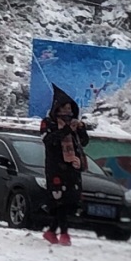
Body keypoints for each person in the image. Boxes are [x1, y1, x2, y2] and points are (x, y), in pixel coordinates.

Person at [41, 87, 90, 246]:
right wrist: (68, 129)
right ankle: (64, 234)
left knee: (70, 201)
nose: (68, 111)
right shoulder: (49, 123)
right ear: (58, 108)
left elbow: (84, 142)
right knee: (59, 200)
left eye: (70, 108)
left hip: (72, 167)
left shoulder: (73, 124)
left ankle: (51, 231)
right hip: (56, 168)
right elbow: (49, 141)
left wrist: (81, 129)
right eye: (65, 108)